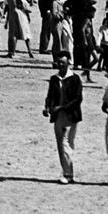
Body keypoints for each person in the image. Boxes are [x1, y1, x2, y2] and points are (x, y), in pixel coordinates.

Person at [43, 54, 83, 184]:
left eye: (63, 63)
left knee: (66, 143)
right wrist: (47, 107)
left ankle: (68, 173)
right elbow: (50, 95)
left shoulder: (75, 79)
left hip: (70, 115)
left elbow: (77, 99)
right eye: (58, 63)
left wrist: (62, 107)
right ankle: (67, 172)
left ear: (68, 63)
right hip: (58, 115)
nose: (60, 65)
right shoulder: (54, 79)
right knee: (61, 144)